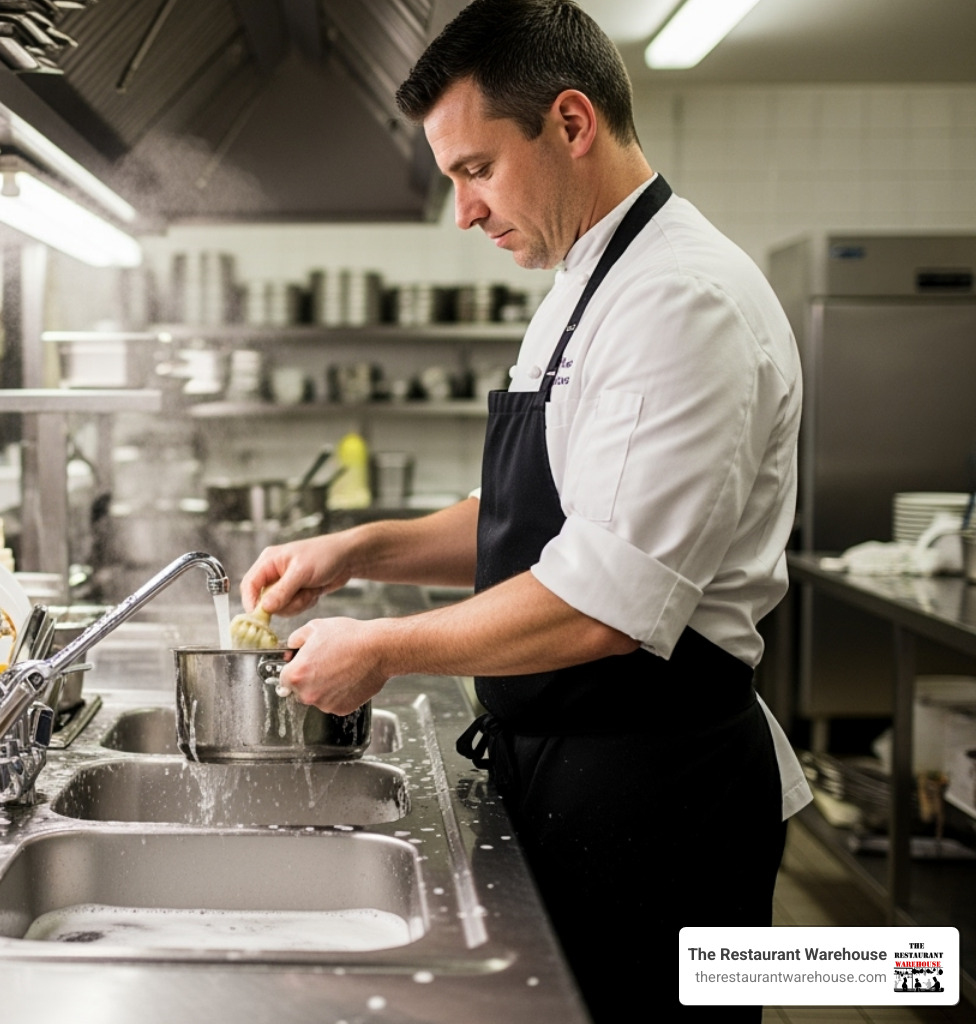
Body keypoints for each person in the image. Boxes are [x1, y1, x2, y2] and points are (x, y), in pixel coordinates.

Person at [238, 2, 810, 1021]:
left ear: (572, 122)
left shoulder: (681, 302)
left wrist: (385, 648)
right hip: (577, 765)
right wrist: (362, 545)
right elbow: (535, 516)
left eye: (476, 169)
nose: (463, 211)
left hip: (659, 796)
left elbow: (603, 601)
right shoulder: (584, 283)